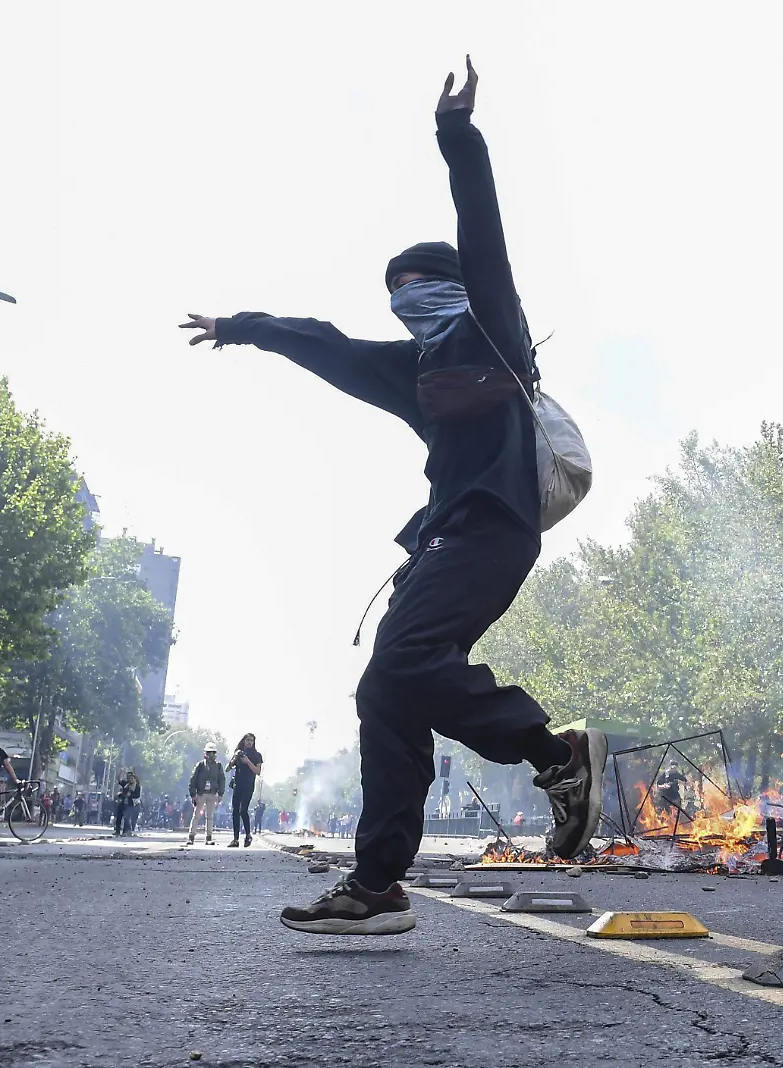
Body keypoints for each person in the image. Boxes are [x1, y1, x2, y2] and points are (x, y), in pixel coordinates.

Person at [182, 59, 606, 937]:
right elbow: (325, 343)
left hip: (495, 528)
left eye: (416, 290)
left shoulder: (492, 325)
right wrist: (243, 329)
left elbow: (483, 231)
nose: (407, 307)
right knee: (386, 691)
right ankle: (377, 886)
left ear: (446, 287)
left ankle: (551, 751)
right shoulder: (409, 368)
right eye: (396, 298)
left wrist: (457, 136)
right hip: (443, 539)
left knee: (404, 662)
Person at [227, 734, 263, 848]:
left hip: (248, 786)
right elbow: (227, 769)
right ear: (244, 741)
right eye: (248, 740)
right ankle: (235, 839)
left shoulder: (256, 755)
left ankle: (248, 835)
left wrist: (247, 761)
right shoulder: (238, 753)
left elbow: (257, 771)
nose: (249, 743)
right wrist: (234, 759)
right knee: (235, 811)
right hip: (238, 785)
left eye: (252, 741)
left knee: (243, 810)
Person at [186, 747, 224, 846]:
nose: (211, 755)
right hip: (201, 793)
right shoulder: (200, 765)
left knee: (210, 817)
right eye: (209, 753)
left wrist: (220, 794)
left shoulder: (218, 766)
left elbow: (221, 779)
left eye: (213, 753)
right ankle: (191, 837)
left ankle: (208, 837)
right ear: (205, 753)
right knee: (196, 816)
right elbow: (193, 779)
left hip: (212, 793)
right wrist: (193, 794)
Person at [113, 770, 141, 837]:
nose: (130, 779)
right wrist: (121, 771)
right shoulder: (126, 784)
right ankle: (117, 832)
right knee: (119, 817)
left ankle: (125, 832)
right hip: (122, 802)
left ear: (134, 778)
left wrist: (130, 795)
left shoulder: (137, 786)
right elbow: (119, 780)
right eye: (128, 777)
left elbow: (137, 795)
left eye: (131, 777)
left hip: (130, 804)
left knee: (126, 818)